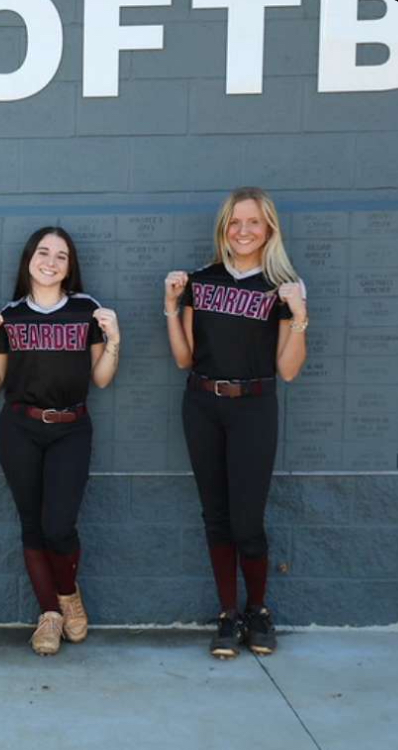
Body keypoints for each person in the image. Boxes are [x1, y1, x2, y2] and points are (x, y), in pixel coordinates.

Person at [164, 187, 307, 659]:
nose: (243, 231)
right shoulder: (201, 281)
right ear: (224, 227)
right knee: (216, 516)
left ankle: (258, 611)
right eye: (235, 222)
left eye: (254, 223)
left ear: (269, 229)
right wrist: (171, 307)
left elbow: (288, 369)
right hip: (203, 403)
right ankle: (228, 613)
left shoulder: (280, 286)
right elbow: (185, 358)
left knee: (248, 519)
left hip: (254, 406)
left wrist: (300, 314)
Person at [0, 227, 119, 656]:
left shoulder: (86, 311)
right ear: (29, 259)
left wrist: (114, 340)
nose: (51, 262)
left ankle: (68, 593)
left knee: (59, 525)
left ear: (70, 266)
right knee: (32, 525)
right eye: (43, 252)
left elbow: (102, 379)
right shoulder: (10, 316)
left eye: (61, 256)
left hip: (71, 427)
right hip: (20, 427)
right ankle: (49, 614)